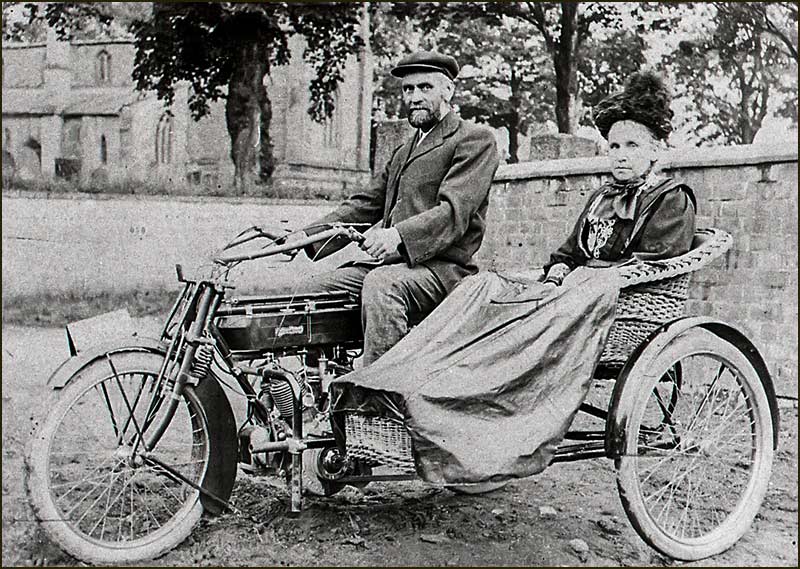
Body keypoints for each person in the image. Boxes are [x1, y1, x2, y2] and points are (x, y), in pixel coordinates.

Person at [330, 70, 698, 485]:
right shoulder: (602, 198)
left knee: (509, 327)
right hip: (571, 290)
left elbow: (652, 264)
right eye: (614, 146)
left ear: (655, 151)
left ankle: (442, 410)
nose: (620, 155)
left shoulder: (670, 198)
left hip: (612, 302)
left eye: (632, 146)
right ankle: (429, 401)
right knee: (481, 287)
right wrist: (560, 268)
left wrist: (578, 279)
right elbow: (569, 251)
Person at [289, 50, 500, 366]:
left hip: (443, 270)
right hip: (394, 267)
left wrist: (397, 236)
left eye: (424, 88)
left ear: (448, 91)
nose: (414, 97)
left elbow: (454, 212)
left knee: (382, 285)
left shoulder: (475, 139)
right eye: (408, 89)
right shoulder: (404, 151)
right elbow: (364, 205)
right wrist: (303, 236)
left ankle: (381, 400)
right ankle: (318, 389)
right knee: (314, 292)